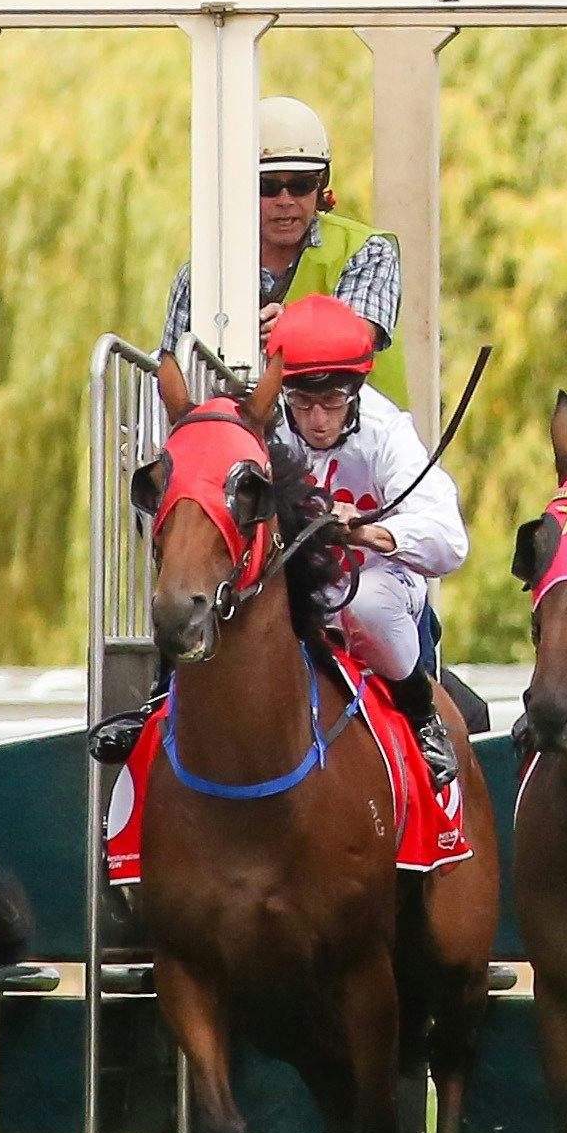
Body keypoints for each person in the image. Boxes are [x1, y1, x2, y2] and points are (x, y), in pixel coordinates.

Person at [267, 293, 473, 802]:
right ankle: (161, 700)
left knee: (365, 601)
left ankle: (421, 713)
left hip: (380, 589)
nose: (317, 419)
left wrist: (364, 532)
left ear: (356, 391)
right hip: (296, 592)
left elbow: (450, 541)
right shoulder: (267, 426)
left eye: (332, 401)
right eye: (302, 403)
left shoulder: (388, 432)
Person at [160, 96, 401, 358]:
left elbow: (360, 335)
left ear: (320, 186)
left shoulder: (367, 251)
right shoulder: (200, 278)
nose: (285, 201)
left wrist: (293, 328)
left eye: (301, 185)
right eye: (268, 186)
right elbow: (172, 368)